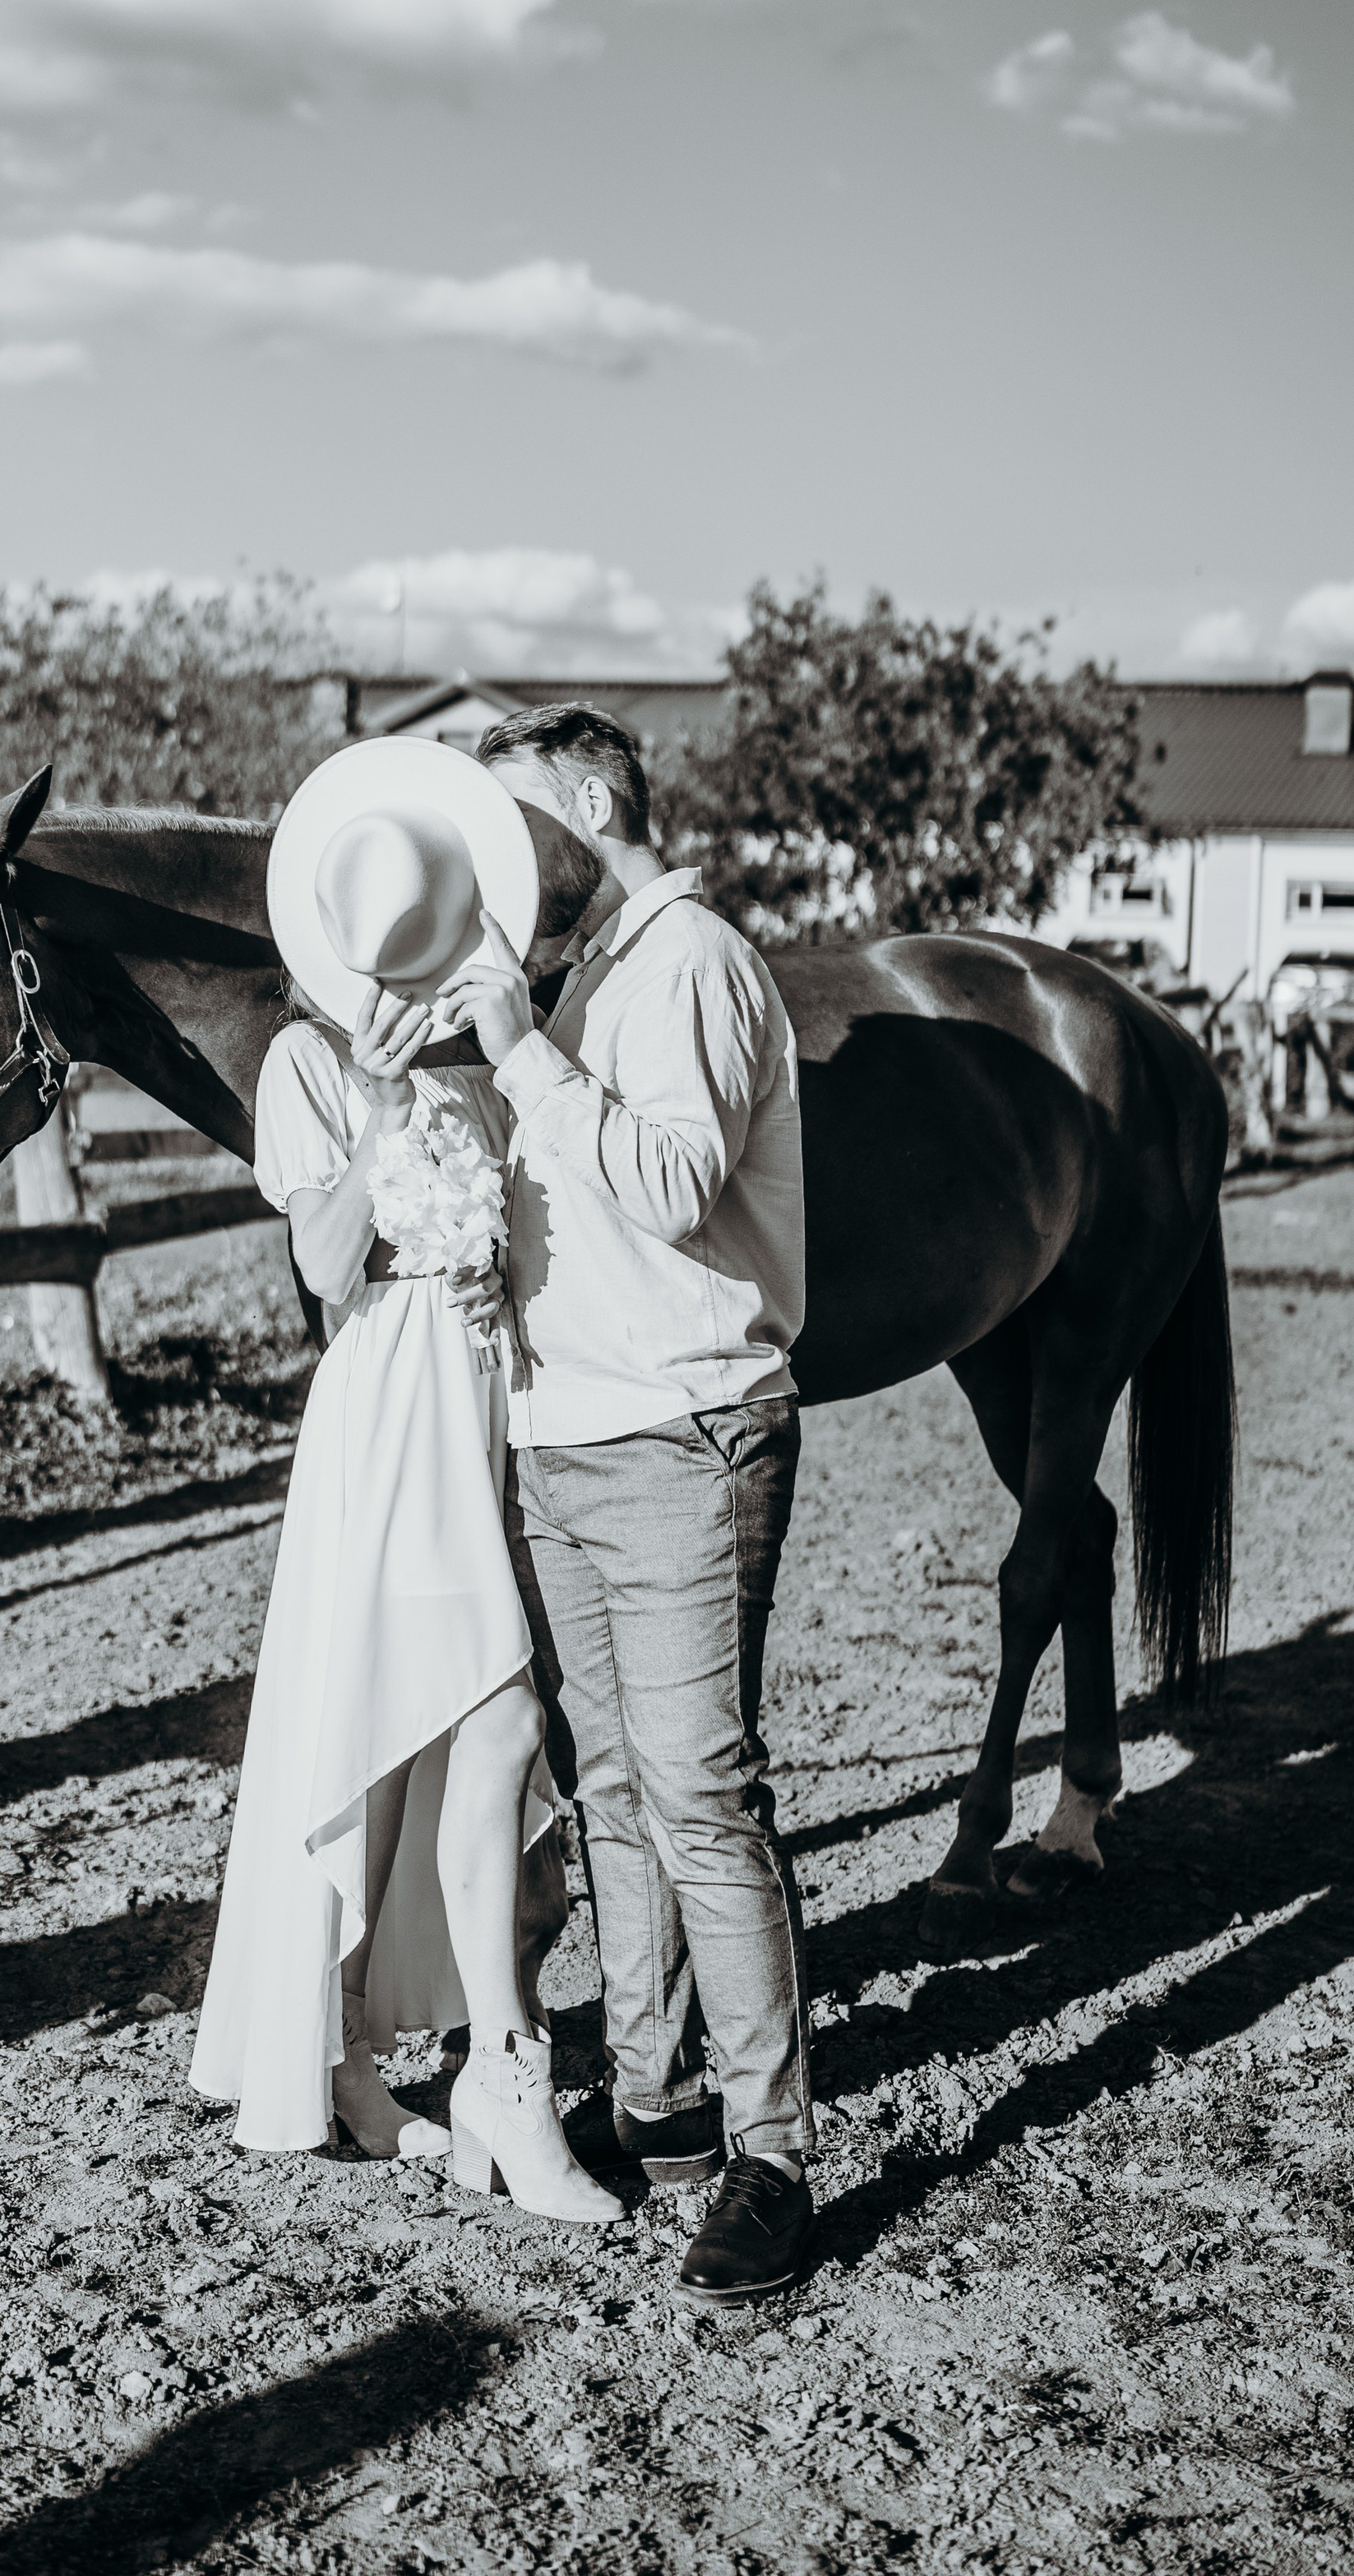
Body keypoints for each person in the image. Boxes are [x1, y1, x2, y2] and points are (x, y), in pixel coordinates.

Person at [189, 737, 621, 2226]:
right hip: (382, 1414)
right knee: (402, 1724)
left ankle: (463, 2057)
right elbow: (319, 1271)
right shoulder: (308, 1064)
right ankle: (374, 2054)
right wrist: (374, 1120)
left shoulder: (490, 1060)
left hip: (485, 1405)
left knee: (477, 1722)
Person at [436, 702, 812, 2306]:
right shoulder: (575, 975)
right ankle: (656, 2101)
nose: (488, 856)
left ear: (592, 801)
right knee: (608, 1796)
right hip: (563, 1443)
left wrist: (515, 1051)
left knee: (697, 1792)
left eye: (509, 815)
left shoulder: (693, 964)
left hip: (681, 1435)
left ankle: (773, 2150)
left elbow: (666, 1183)